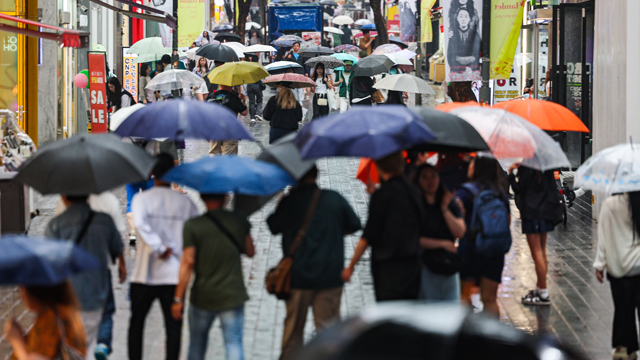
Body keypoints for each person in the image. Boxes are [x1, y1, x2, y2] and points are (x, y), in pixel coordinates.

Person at [267, 166, 362, 359]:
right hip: (330, 276)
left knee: (293, 334)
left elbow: (273, 226)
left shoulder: (290, 202)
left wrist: (281, 200)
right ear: (316, 175)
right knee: (328, 333)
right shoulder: (333, 198)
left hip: (298, 278)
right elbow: (354, 224)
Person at [128, 154, 199, 360]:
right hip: (174, 276)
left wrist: (158, 247)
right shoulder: (186, 204)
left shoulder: (141, 199)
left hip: (144, 274)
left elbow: (139, 223)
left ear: (152, 173)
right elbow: (195, 232)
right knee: (173, 328)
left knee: (136, 325)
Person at [172, 193, 256, 360]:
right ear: (225, 197)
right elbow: (250, 251)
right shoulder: (238, 219)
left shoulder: (193, 225)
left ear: (202, 197)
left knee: (197, 344)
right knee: (233, 342)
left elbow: (188, 262)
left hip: (203, 295)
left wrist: (178, 298)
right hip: (232, 293)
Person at [45, 194, 126, 357]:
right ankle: (102, 343)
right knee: (107, 311)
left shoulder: (56, 224)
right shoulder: (104, 220)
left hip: (70, 286)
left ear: (65, 198)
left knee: (73, 337)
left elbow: (51, 258)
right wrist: (122, 265)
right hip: (100, 279)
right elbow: (117, 247)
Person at [342, 151, 423, 301]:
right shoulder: (414, 192)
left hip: (387, 268)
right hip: (412, 265)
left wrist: (351, 266)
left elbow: (369, 235)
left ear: (379, 167)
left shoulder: (382, 196)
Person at [456, 156, 510, 316]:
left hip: (470, 249)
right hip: (494, 251)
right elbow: (506, 222)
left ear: (477, 168)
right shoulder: (499, 193)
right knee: (490, 299)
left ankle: (467, 336)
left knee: (465, 296)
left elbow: (460, 223)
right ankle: (491, 337)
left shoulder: (465, 192)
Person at [594, 192, 640, 360]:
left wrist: (600, 264)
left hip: (620, 268)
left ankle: (625, 350)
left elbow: (603, 237)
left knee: (623, 310)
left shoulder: (610, 204)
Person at [508, 164, 561, 306]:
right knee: (542, 251)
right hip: (545, 213)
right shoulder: (546, 168)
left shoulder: (529, 168)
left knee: (536, 253)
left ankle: (543, 292)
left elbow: (519, 189)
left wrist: (511, 174)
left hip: (532, 214)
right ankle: (540, 287)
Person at [413, 164, 465, 302]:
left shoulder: (449, 202)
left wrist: (444, 210)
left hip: (448, 267)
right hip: (425, 266)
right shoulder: (416, 205)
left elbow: (460, 232)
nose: (430, 180)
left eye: (433, 176)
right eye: (425, 177)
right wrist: (442, 244)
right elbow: (414, 238)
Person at [4, 282, 87, 360]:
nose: (20, 296)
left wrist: (16, 341)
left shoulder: (51, 320)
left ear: (36, 291)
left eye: (22, 290)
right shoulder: (63, 311)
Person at [207, 84, 248, 155]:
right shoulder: (234, 97)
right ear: (229, 85)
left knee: (214, 153)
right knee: (229, 155)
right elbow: (244, 112)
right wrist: (242, 100)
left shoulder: (210, 97)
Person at [446, 6, 481, 73]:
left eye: (466, 16)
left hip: (472, 71)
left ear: (469, 19)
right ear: (457, 18)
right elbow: (450, 55)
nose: (463, 19)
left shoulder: (475, 34)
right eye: (461, 16)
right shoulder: (453, 34)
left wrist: (471, 68)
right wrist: (461, 69)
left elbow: (477, 54)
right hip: (456, 71)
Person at [246, 56, 265, 122]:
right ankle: (258, 113)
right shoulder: (259, 67)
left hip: (249, 85)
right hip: (257, 85)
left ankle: (252, 117)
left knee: (251, 101)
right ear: (257, 60)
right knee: (259, 99)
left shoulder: (248, 67)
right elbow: (262, 77)